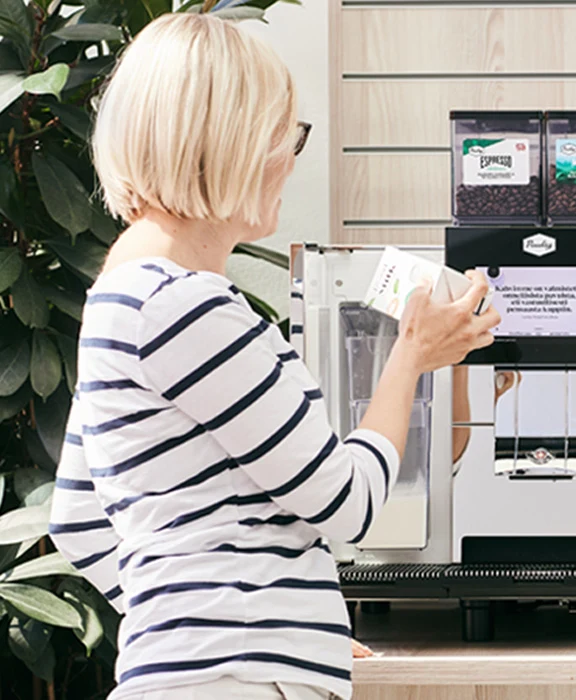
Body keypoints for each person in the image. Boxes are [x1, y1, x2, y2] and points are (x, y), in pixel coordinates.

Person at [48, 13, 500, 700]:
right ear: (231, 144)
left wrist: (276, 631)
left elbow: (77, 518)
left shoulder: (120, 297)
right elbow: (347, 505)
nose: (291, 158)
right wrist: (411, 357)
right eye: (285, 136)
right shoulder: (189, 306)